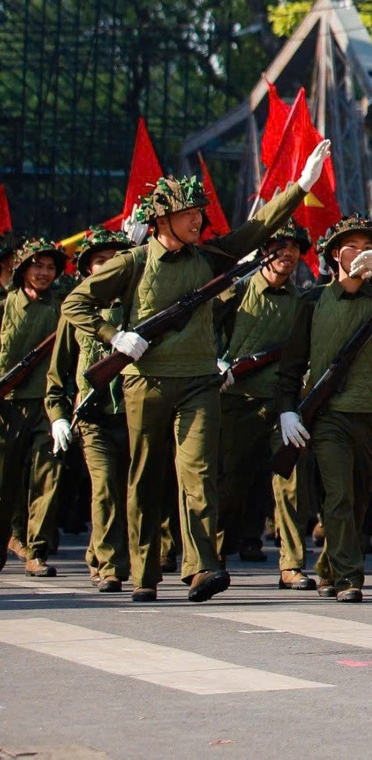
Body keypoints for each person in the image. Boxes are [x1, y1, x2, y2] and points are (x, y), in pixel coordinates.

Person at [63, 146, 327, 603]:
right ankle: (144, 573)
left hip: (200, 383)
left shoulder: (209, 258)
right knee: (144, 478)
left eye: (198, 214)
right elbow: (75, 304)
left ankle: (201, 566)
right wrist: (114, 336)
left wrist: (300, 187)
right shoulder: (133, 263)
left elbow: (257, 228)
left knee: (199, 473)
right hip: (145, 383)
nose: (197, 221)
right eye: (188, 214)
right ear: (162, 219)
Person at [273, 217, 372, 602]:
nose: (361, 253)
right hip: (329, 414)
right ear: (334, 254)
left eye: (369, 246)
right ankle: (350, 577)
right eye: (352, 246)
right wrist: (287, 410)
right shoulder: (312, 302)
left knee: (362, 495)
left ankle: (331, 565)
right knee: (339, 495)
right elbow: (292, 365)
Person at [212, 222, 315, 589]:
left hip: (284, 404)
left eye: (295, 248)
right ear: (262, 251)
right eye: (279, 246)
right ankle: (214, 556)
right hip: (237, 402)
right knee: (229, 484)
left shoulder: (304, 300)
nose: (288, 253)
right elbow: (204, 330)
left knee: (290, 484)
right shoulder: (234, 293)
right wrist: (217, 361)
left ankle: (291, 564)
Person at [44, 229, 135, 591]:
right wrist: (59, 416)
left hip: (132, 412)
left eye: (115, 260)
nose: (108, 266)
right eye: (100, 261)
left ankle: (101, 556)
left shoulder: (136, 307)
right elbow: (57, 372)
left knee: (131, 490)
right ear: (87, 270)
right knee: (105, 488)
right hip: (93, 416)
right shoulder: (76, 312)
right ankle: (112, 564)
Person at [0, 237, 68, 577]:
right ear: (23, 269)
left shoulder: (62, 309)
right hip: (7, 406)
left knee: (46, 478)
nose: (43, 273)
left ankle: (37, 551)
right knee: (4, 481)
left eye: (50, 267)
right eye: (37, 266)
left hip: (47, 406)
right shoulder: (5, 306)